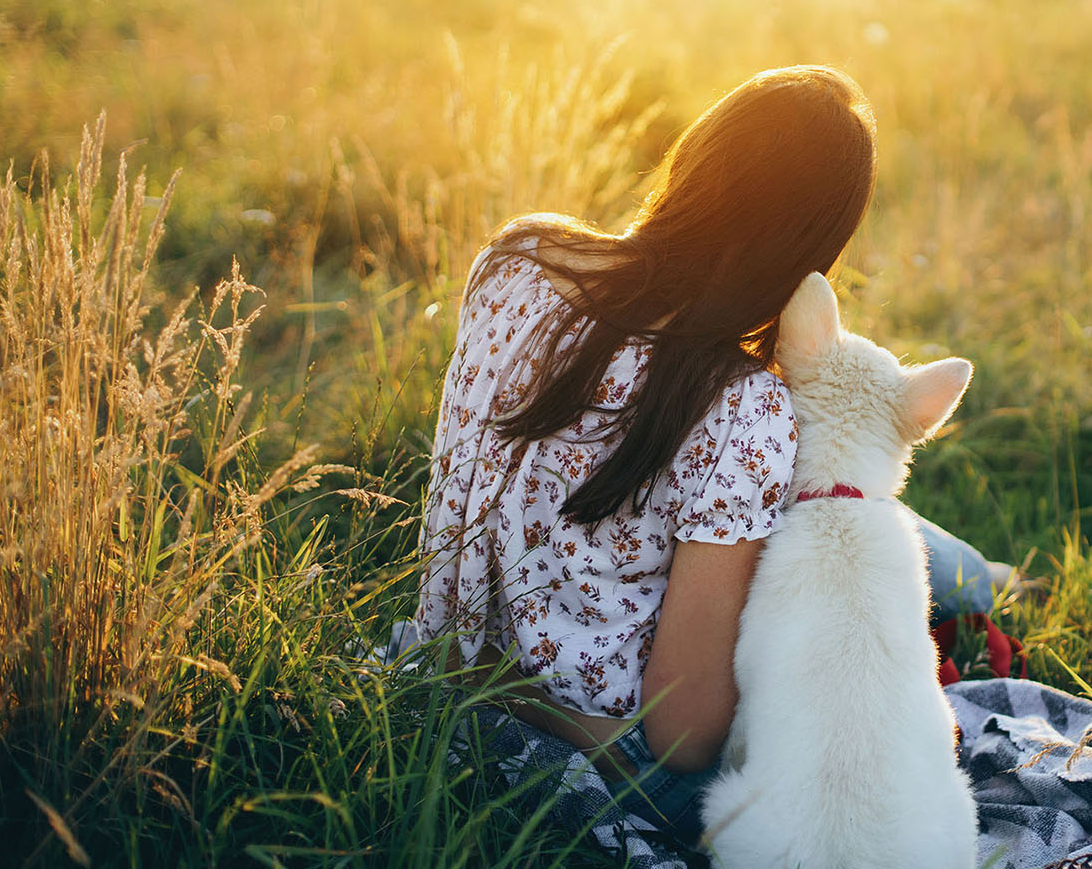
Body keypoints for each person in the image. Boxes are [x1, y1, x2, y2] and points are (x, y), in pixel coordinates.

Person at [415, 65, 1012, 846]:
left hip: (449, 656)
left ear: (696, 156)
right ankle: (984, 582)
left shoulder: (519, 253)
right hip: (620, 758)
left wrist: (473, 678)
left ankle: (978, 577)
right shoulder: (744, 408)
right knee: (856, 513)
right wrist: (518, 704)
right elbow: (685, 736)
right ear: (810, 250)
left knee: (845, 511)